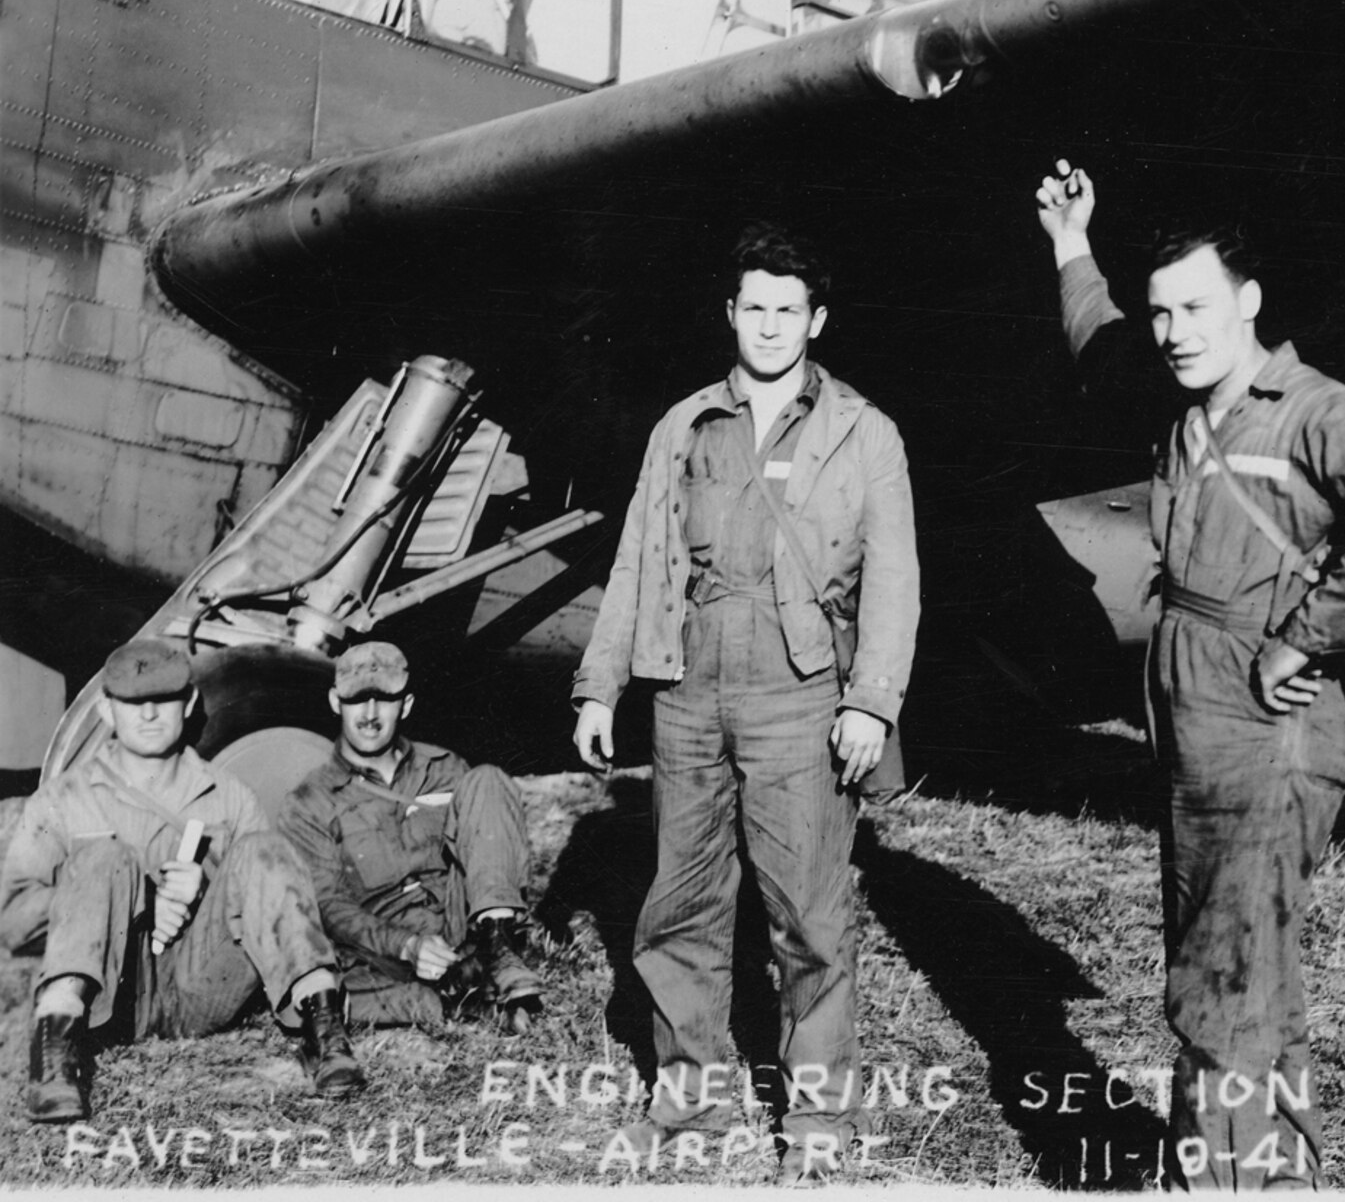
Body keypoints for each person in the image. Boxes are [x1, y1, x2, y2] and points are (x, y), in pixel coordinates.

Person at [1033, 161, 1345, 1191]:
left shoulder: (1308, 408)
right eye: (1162, 309)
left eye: (1194, 307)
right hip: (1202, 721)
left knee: (1219, 976)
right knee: (1250, 966)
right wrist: (1068, 242)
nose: (1172, 329)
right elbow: (1101, 345)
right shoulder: (1187, 399)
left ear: (1248, 303)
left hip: (1270, 729)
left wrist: (1306, 637)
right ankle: (1272, 1173)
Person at [572, 222, 920, 1181]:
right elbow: (640, 559)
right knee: (679, 906)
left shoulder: (864, 429)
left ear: (817, 319)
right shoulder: (682, 426)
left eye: (787, 309)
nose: (769, 325)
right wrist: (602, 684)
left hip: (800, 690)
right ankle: (682, 1100)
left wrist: (870, 702)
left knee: (807, 912)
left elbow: (894, 581)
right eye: (753, 307)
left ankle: (814, 1119)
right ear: (731, 314)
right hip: (687, 687)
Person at [0, 638, 363, 1124]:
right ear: (107, 710)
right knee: (103, 856)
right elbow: (13, 915)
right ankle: (55, 1058)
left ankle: (324, 1030)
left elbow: (271, 894)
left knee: (265, 849)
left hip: (203, 987)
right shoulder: (64, 798)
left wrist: (207, 885)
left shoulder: (228, 795)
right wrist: (132, 902)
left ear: (188, 703)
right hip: (110, 996)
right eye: (133, 702)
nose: (149, 714)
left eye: (163, 700)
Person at [277, 641, 543, 1028]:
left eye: (384, 699)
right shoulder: (308, 802)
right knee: (319, 993)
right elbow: (331, 906)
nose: (370, 714)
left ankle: (497, 948)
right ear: (336, 702)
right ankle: (457, 1003)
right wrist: (406, 945)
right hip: (384, 952)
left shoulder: (447, 769)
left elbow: (491, 850)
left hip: (461, 929)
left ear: (406, 704)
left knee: (487, 779)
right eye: (357, 700)